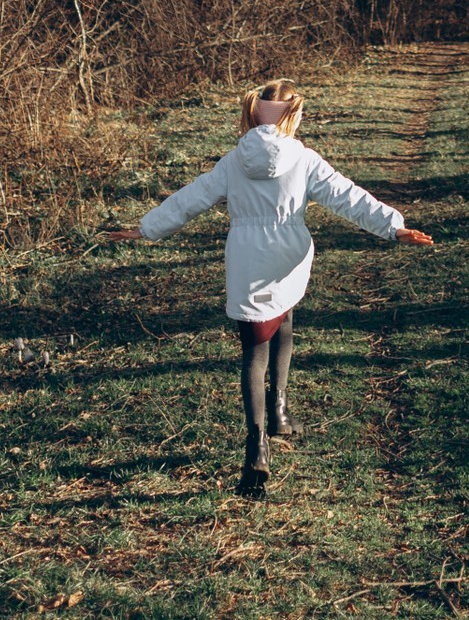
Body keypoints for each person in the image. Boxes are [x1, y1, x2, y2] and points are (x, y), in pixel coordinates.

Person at [104, 78, 434, 497]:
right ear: (293, 115)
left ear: (252, 112)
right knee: (285, 320)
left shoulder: (232, 161)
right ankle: (278, 411)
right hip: (288, 254)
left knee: (253, 350)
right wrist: (394, 227)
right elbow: (348, 197)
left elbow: (193, 197)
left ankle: (258, 442)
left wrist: (147, 228)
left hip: (246, 256)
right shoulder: (304, 159)